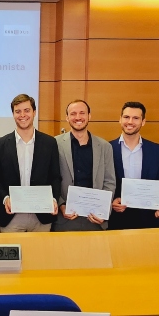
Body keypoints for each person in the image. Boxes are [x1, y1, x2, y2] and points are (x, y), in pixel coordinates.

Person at [0, 94, 61, 232]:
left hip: (41, 216)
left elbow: (55, 177)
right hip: (11, 216)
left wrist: (53, 199)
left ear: (34, 112)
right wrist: (5, 198)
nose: (22, 115)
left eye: (27, 110)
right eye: (18, 111)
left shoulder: (50, 143)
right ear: (13, 114)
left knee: (40, 254)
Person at [55, 99, 115, 231]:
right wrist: (61, 205)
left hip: (95, 220)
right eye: (73, 114)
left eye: (82, 113)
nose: (78, 117)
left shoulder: (105, 147)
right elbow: (50, 179)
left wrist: (104, 211)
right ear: (67, 118)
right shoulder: (54, 144)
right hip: (65, 219)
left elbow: (109, 182)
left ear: (89, 116)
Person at [108, 102, 159, 230]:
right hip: (117, 219)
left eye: (136, 118)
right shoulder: (107, 149)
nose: (130, 121)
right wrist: (111, 201)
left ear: (143, 121)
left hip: (149, 219)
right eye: (126, 117)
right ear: (120, 119)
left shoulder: (157, 150)